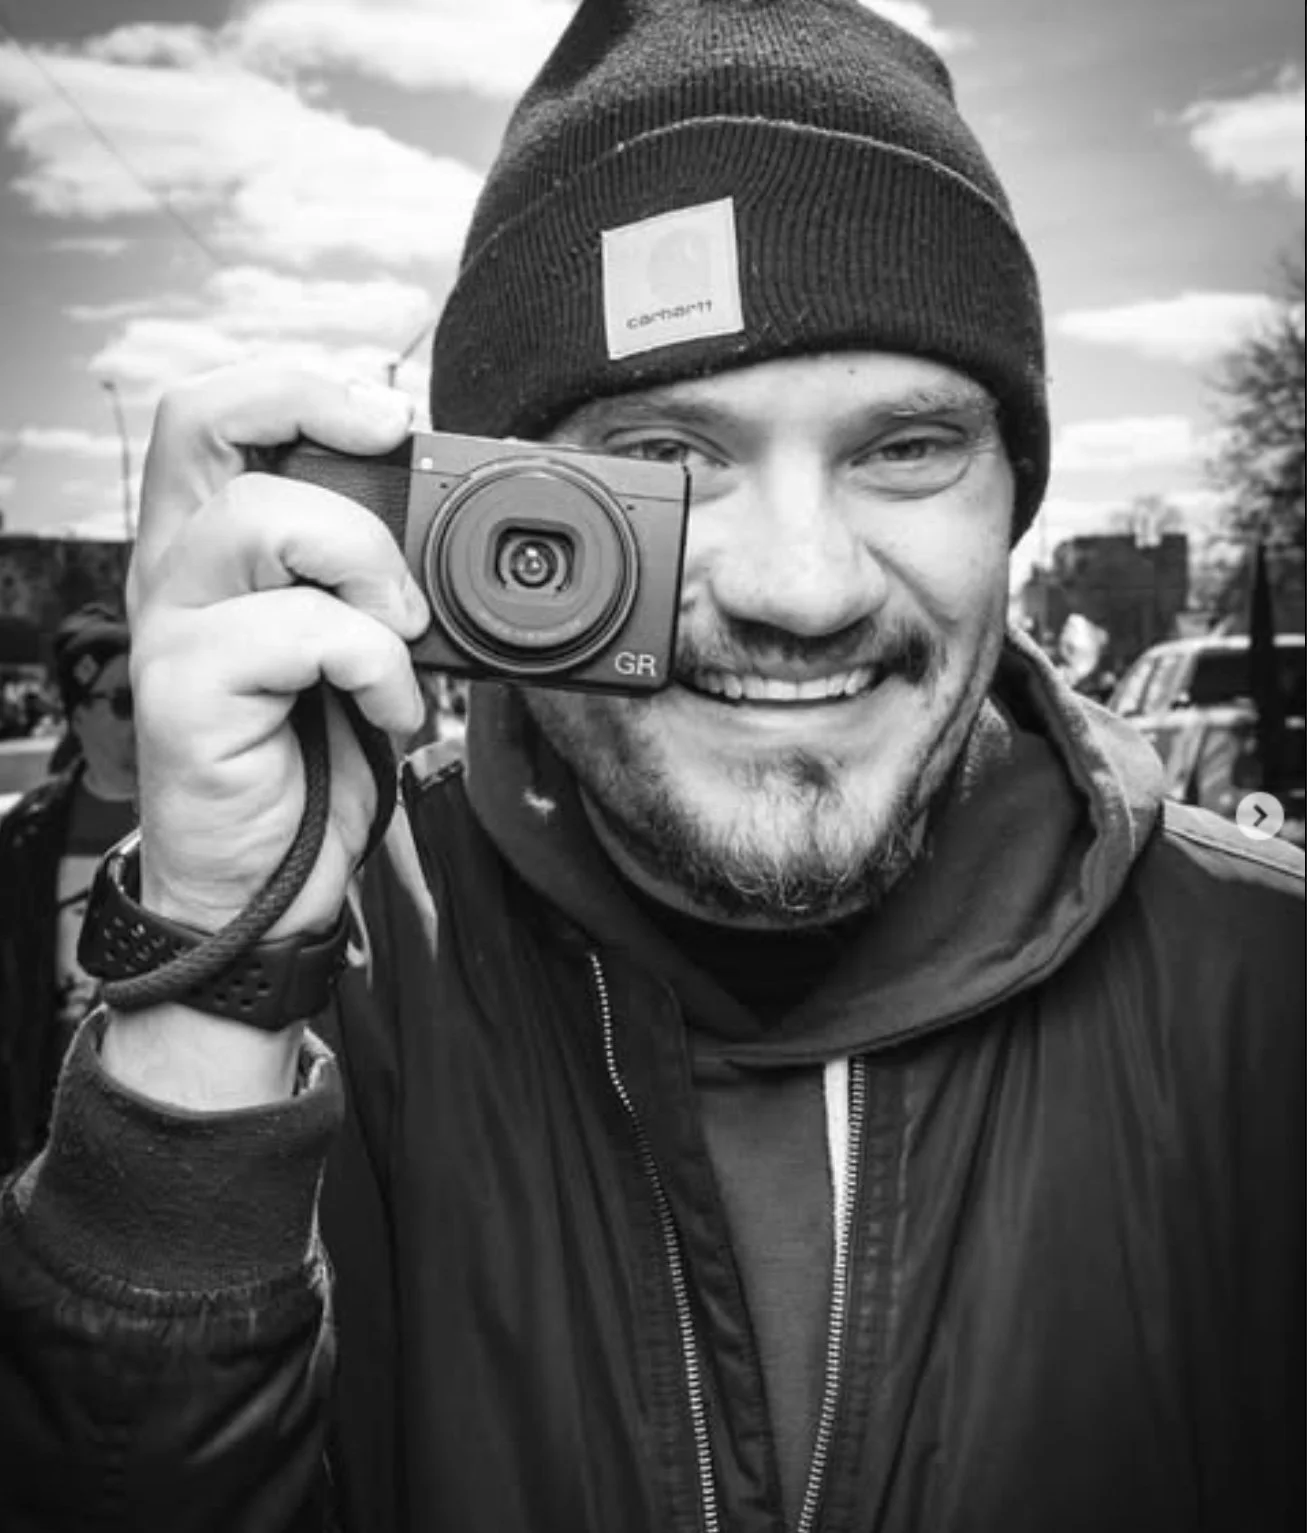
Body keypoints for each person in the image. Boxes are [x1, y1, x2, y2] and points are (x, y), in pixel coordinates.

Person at [0, 3, 1301, 1530]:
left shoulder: (1266, 991)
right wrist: (215, 992)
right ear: (488, 522)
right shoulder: (337, 991)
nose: (799, 586)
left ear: (1013, 490)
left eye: (905, 447)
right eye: (666, 464)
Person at [0, 603, 136, 1172]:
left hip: (156, 1116)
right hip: (47, 1130)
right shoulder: (26, 833)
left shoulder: (195, 819)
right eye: (125, 702)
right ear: (78, 715)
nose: (144, 719)